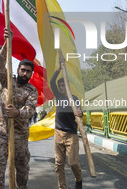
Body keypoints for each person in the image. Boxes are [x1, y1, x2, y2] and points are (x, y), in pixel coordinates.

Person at [0, 29, 38, 189]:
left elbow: (30, 109)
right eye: (22, 70)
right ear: (18, 70)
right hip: (1, 132)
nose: (25, 73)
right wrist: (6, 44)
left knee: (22, 173)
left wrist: (17, 112)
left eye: (28, 71)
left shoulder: (32, 90)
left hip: (19, 135)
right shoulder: (7, 80)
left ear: (31, 74)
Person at [50, 61, 83, 189]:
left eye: (64, 85)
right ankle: (62, 187)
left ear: (68, 86)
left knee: (73, 163)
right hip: (58, 133)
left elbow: (79, 114)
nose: (62, 87)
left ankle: (78, 179)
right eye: (60, 85)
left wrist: (79, 113)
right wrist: (58, 69)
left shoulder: (74, 99)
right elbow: (52, 82)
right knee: (58, 163)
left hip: (71, 134)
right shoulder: (58, 96)